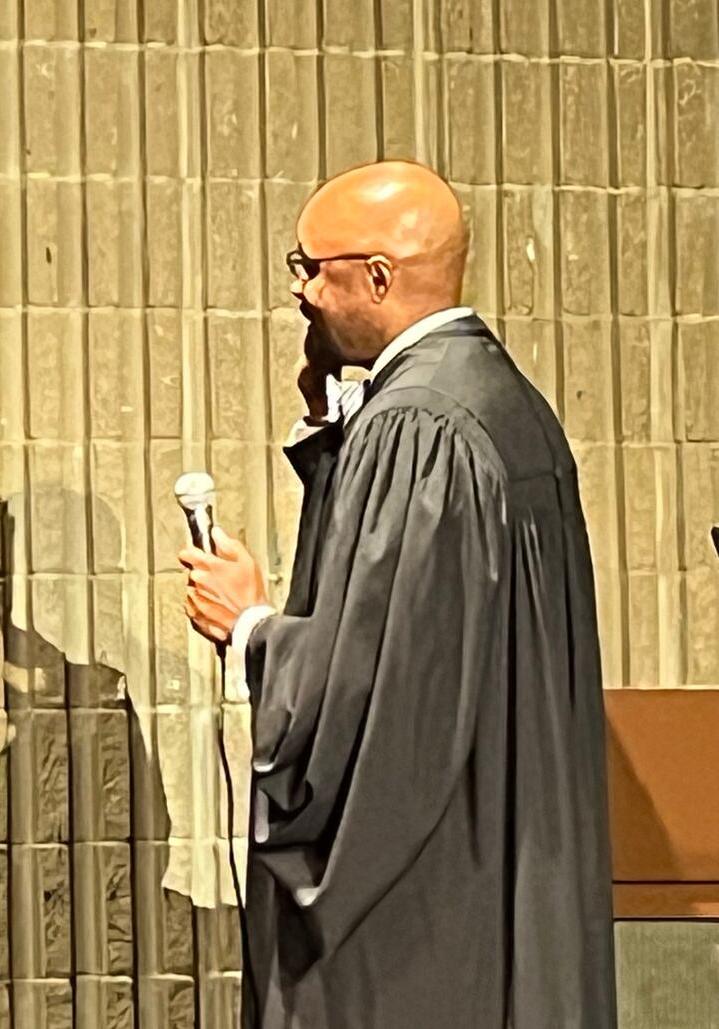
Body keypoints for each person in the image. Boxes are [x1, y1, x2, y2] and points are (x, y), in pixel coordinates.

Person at [181, 162, 616, 1027]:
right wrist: (329, 427)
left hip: (428, 915)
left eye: (311, 267)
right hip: (507, 857)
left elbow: (375, 694)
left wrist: (254, 627)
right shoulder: (501, 401)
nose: (301, 291)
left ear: (376, 276)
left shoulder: (417, 425)